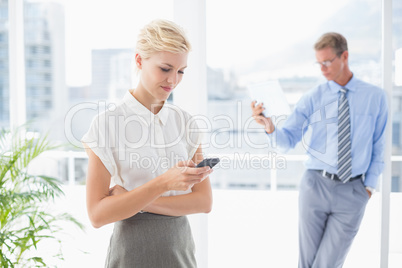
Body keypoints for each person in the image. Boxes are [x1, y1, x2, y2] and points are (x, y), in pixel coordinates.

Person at [81, 19, 213, 268]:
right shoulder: (107, 125)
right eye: (165, 69)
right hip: (132, 252)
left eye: (181, 71)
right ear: (140, 61)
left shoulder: (185, 123)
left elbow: (203, 202)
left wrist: (132, 200)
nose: (173, 80)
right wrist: (164, 183)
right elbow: (97, 215)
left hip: (180, 251)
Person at [251, 32, 388, 268]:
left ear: (344, 56)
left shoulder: (375, 97)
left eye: (327, 62)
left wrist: (368, 187)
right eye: (319, 63)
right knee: (307, 263)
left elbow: (379, 145)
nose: (322, 69)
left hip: (353, 190)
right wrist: (270, 127)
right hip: (315, 187)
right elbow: (288, 140)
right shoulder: (313, 97)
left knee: (328, 264)